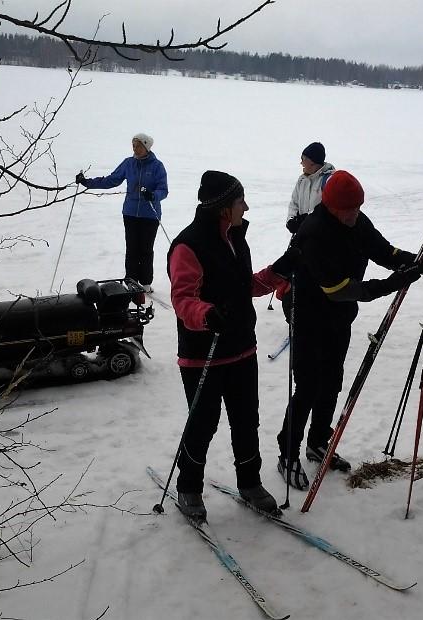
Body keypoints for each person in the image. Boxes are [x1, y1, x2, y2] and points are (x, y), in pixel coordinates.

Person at [275, 170, 423, 490]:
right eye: (349, 209)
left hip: (338, 318)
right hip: (307, 315)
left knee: (331, 382)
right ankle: (287, 453)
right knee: (307, 387)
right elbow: (339, 289)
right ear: (331, 206)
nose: (355, 214)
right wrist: (393, 284)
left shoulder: (357, 222)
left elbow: (386, 253)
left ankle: (318, 442)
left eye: (358, 207)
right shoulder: (313, 233)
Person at [167, 170, 290, 521]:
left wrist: (279, 271)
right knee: (203, 423)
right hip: (202, 354)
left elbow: (243, 285)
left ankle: (249, 483)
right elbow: (182, 299)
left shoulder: (236, 237)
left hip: (241, 349)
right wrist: (207, 314)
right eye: (240, 201)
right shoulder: (188, 246)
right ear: (223, 207)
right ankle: (188, 487)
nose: (246, 207)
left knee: (246, 420)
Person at [76, 133, 168, 292]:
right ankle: (131, 280)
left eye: (138, 145)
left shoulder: (157, 166)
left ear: (146, 147)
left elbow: (163, 190)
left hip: (150, 215)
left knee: (145, 248)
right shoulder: (128, 163)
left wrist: (153, 196)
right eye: (133, 145)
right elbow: (111, 180)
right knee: (132, 248)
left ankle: (145, 282)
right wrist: (87, 183)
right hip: (130, 213)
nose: (135, 148)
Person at [286, 142, 335, 233]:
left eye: (303, 159)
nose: (301, 162)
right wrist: (291, 219)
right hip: (303, 234)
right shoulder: (302, 180)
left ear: (312, 161)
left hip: (322, 236)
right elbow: (294, 202)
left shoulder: (330, 180)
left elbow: (329, 209)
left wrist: (307, 219)